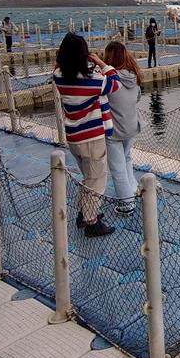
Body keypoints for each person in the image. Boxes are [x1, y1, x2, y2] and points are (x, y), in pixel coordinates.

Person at [53, 33, 120, 237]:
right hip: (91, 138)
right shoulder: (91, 81)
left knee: (88, 176)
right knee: (97, 179)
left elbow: (62, 68)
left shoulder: (58, 75)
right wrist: (100, 62)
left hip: (74, 136)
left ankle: (84, 213)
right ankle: (91, 222)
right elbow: (114, 82)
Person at [102, 41, 142, 215]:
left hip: (114, 130)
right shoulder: (134, 76)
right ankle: (133, 189)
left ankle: (126, 204)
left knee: (117, 167)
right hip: (132, 126)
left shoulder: (109, 79)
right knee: (126, 159)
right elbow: (138, 98)